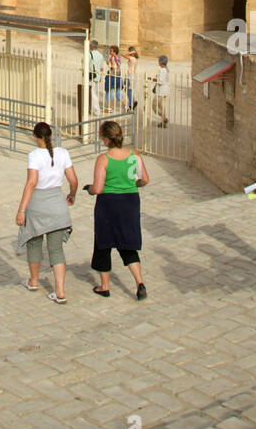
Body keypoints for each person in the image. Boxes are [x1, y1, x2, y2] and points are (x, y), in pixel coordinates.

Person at [84, 120, 150, 299]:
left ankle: (104, 286)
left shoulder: (103, 159)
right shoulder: (133, 154)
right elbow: (144, 179)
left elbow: (98, 188)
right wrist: (132, 184)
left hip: (109, 204)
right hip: (130, 202)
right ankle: (139, 282)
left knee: (103, 244)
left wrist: (88, 189)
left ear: (105, 139)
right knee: (127, 244)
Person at [15, 122, 77, 304]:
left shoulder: (34, 155)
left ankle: (33, 281)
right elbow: (73, 180)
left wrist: (21, 209)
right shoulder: (63, 153)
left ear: (36, 137)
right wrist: (72, 195)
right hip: (58, 203)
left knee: (34, 243)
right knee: (56, 249)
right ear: (51, 135)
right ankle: (60, 291)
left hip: (38, 204)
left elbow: (32, 183)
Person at [89, 40, 104, 118]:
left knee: (93, 93)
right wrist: (100, 76)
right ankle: (92, 108)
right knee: (93, 92)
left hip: (91, 75)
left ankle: (97, 110)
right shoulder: (101, 55)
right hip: (97, 76)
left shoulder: (89, 54)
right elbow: (102, 68)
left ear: (91, 46)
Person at [152, 54, 169, 126]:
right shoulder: (166, 69)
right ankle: (163, 121)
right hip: (164, 90)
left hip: (161, 91)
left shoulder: (162, 70)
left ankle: (164, 118)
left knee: (155, 106)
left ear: (161, 62)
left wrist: (155, 80)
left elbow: (161, 81)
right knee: (161, 106)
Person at [124, 46, 139, 112]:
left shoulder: (132, 58)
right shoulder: (135, 58)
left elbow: (123, 54)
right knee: (127, 89)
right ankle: (133, 100)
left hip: (131, 75)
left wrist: (131, 52)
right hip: (132, 75)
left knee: (128, 90)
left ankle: (131, 103)